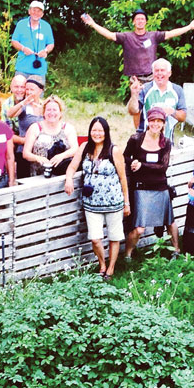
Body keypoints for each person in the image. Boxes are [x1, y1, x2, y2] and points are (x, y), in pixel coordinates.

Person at [64, 116, 130, 278]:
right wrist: (68, 179)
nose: (97, 134)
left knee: (114, 236)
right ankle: (102, 264)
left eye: (100, 130)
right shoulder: (85, 147)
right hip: (91, 203)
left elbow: (123, 177)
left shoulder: (114, 150)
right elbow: (72, 167)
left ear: (106, 132)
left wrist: (126, 202)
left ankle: (111, 268)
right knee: (95, 238)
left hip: (113, 202)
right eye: (94, 130)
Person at [79, 8, 194, 81]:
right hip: (135, 79)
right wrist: (93, 24)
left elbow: (171, 33)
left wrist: (189, 27)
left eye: (142, 19)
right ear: (133, 22)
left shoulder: (153, 36)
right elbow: (110, 35)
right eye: (137, 19)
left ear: (146, 22)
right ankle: (138, 128)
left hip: (152, 77)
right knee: (136, 109)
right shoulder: (126, 37)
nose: (140, 21)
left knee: (153, 108)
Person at [123, 106, 178, 259]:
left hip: (160, 187)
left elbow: (163, 166)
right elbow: (125, 157)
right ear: (148, 121)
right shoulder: (136, 139)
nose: (156, 124)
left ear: (163, 124)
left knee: (170, 221)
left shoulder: (165, 142)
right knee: (139, 228)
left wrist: (142, 165)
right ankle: (127, 255)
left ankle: (176, 250)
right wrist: (133, 161)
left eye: (159, 121)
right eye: (153, 120)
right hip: (141, 188)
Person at [127, 59, 186, 139]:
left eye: (162, 70)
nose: (159, 73)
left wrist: (171, 111)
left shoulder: (177, 90)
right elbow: (133, 111)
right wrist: (134, 95)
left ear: (169, 73)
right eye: (156, 71)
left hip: (167, 140)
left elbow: (183, 117)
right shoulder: (145, 89)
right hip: (145, 139)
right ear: (153, 73)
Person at [23, 96, 78, 177]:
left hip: (63, 175)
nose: (51, 113)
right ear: (43, 112)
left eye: (55, 110)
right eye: (48, 110)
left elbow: (75, 149)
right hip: (38, 176)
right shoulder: (35, 128)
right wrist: (38, 158)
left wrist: (61, 156)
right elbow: (26, 153)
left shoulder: (68, 128)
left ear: (60, 112)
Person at [12, 75, 46, 179]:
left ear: (40, 91)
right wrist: (23, 103)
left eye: (32, 89)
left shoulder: (45, 106)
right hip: (24, 151)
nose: (29, 92)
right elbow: (11, 114)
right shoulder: (24, 106)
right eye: (27, 89)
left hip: (42, 151)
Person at [11, 0, 55, 80]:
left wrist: (45, 51)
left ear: (42, 14)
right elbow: (14, 41)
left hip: (39, 70)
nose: (36, 13)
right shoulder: (21, 24)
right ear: (29, 11)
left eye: (39, 11)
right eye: (34, 10)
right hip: (22, 68)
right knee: (19, 91)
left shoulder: (46, 26)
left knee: (37, 92)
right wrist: (23, 49)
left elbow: (51, 44)